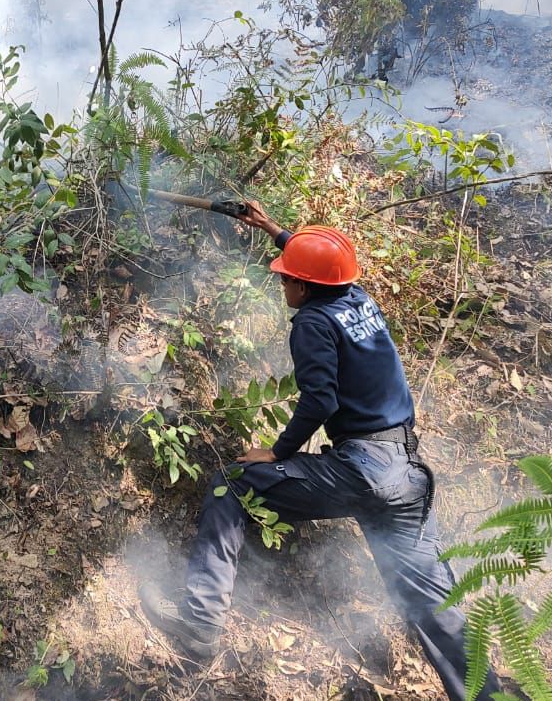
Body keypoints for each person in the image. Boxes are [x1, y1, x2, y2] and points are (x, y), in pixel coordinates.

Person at [138, 202, 504, 701]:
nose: (282, 285)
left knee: (234, 485)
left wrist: (278, 450)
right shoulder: (357, 297)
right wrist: (273, 230)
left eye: (286, 279)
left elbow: (320, 400)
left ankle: (199, 624)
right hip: (407, 472)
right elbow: (323, 266)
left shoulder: (310, 323)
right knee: (432, 606)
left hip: (362, 469)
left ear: (304, 288)